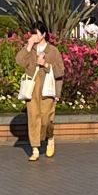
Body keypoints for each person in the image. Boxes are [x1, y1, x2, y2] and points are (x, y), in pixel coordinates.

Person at [17, 22, 65, 162]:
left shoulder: (53, 51)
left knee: (46, 119)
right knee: (33, 118)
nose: (33, 36)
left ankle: (50, 137)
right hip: (32, 87)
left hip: (47, 87)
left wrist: (45, 65)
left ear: (43, 34)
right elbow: (19, 61)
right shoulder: (30, 49)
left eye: (36, 33)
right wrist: (29, 46)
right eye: (32, 33)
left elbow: (60, 71)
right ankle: (35, 149)